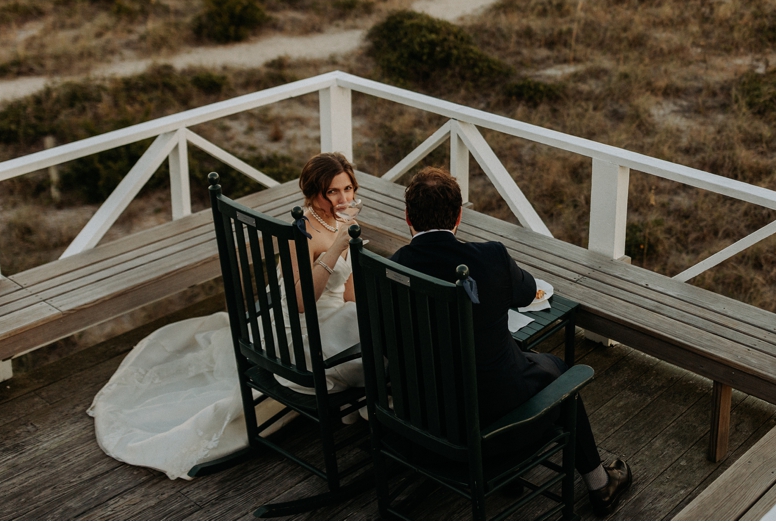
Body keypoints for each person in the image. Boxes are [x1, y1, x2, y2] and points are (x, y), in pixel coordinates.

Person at [89, 152, 365, 480]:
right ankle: (370, 411)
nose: (343, 198)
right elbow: (301, 302)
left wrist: (357, 260)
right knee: (376, 344)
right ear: (312, 193)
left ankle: (363, 406)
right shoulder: (303, 230)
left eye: (348, 189)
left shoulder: (344, 222)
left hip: (330, 320)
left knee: (369, 323)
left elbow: (348, 295)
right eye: (332, 192)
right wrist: (336, 250)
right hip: (300, 335)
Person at [389, 167, 633, 516]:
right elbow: (524, 291)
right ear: (459, 215)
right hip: (487, 424)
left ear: (408, 217)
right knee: (562, 376)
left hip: (420, 420)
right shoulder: (490, 257)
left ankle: (525, 476)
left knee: (517, 356)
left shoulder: (392, 268)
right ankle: (599, 483)